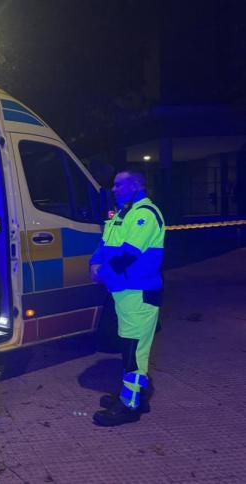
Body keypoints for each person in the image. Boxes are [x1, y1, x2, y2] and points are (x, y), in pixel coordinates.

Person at [89, 170, 165, 426]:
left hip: (138, 291)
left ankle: (130, 406)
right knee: (129, 346)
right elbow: (105, 245)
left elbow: (127, 256)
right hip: (123, 290)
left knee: (134, 351)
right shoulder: (123, 213)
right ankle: (134, 395)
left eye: (119, 184)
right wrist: (94, 263)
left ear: (135, 186)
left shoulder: (146, 213)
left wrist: (101, 273)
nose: (114, 189)